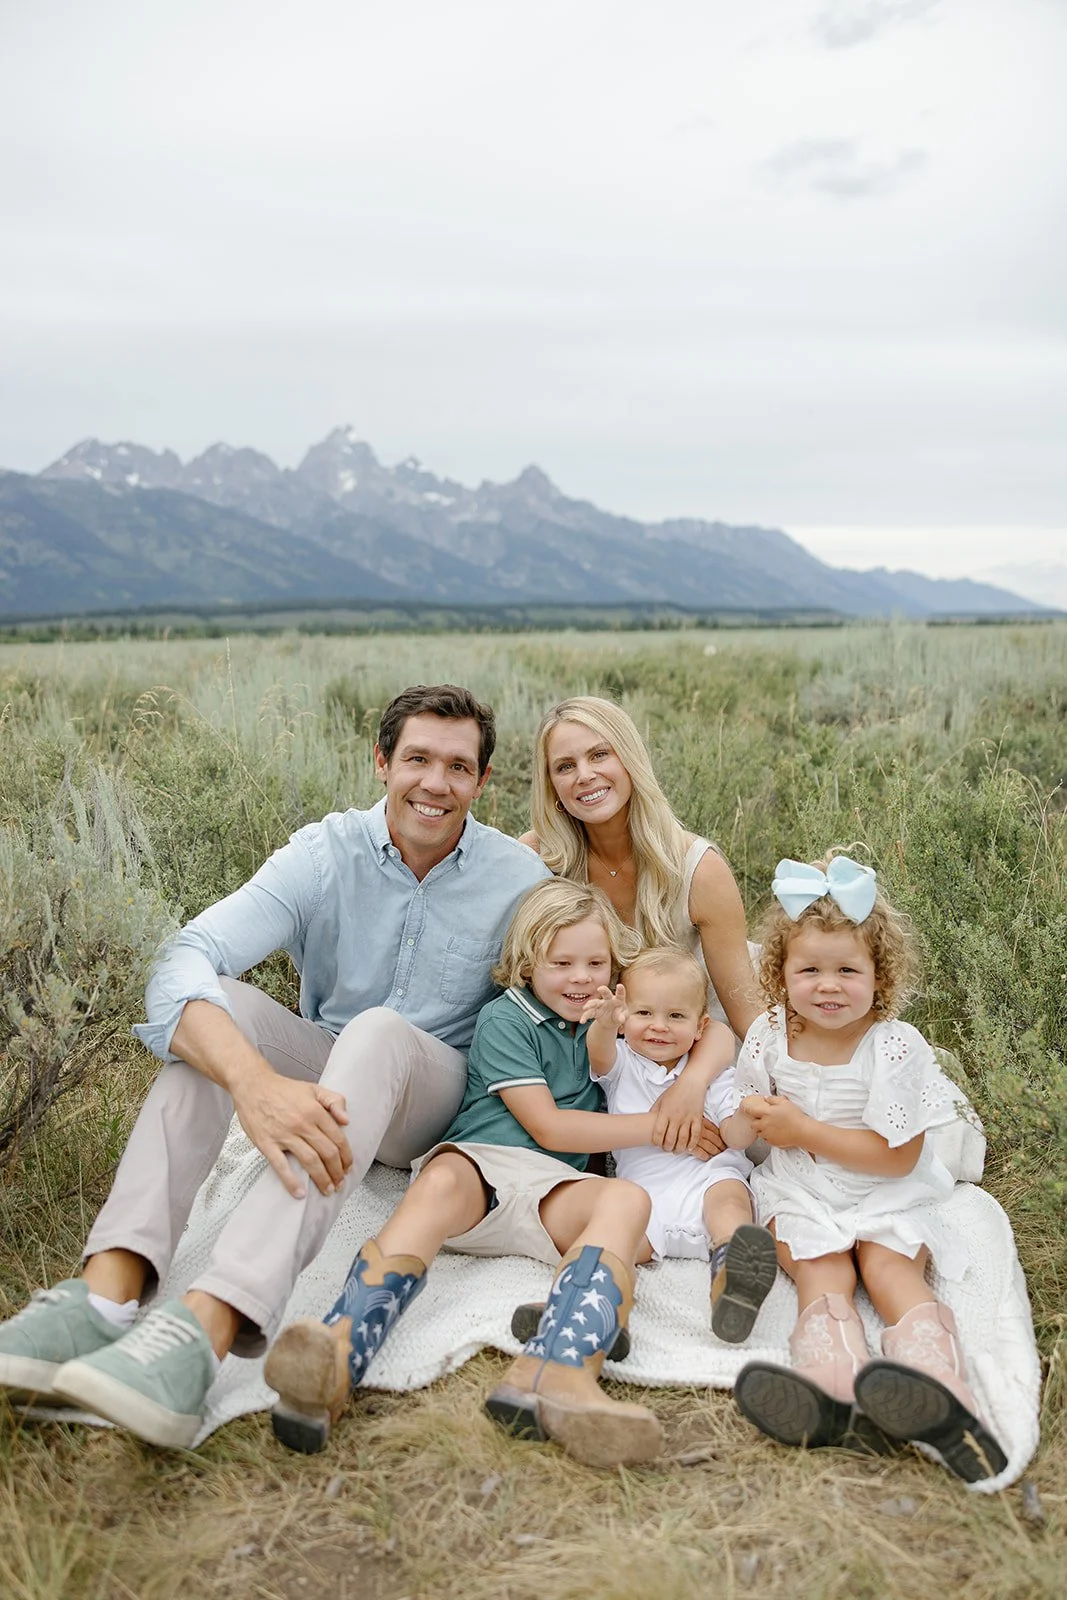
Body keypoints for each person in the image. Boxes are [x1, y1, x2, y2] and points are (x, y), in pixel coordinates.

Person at [0, 684, 549, 1449]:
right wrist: (253, 1086)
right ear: (381, 762)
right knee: (214, 1005)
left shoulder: (516, 876)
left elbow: (573, 987)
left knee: (381, 1030)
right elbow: (183, 958)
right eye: (417, 759)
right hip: (335, 1069)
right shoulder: (324, 853)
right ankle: (108, 1292)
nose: (436, 783)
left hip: (431, 1100)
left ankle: (207, 1328)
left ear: (482, 783)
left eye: (458, 768)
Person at [264, 878, 723, 1468]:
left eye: (596, 962)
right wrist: (660, 1126)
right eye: (562, 963)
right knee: (441, 1178)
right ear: (528, 962)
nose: (581, 977)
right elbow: (550, 1129)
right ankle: (340, 1347)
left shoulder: (617, 1023)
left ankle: (558, 1372)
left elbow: (716, 1033)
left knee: (627, 1202)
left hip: (553, 1195)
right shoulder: (506, 1019)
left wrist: (689, 1089)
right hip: (483, 1175)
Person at [726, 854, 1006, 1483]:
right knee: (821, 1275)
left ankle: (940, 1397)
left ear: (880, 976)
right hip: (801, 1185)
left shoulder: (893, 1044)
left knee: (890, 1268)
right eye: (810, 970)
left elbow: (900, 1154)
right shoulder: (770, 1035)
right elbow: (747, 1125)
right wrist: (747, 1122)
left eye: (848, 969)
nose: (828, 985)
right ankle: (832, 1395)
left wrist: (805, 1130)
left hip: (885, 1186)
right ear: (781, 972)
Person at [525, 695, 759, 1150]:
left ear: (629, 758)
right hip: (604, 1063)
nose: (585, 775)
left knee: (760, 1141)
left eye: (599, 754)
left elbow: (742, 1016)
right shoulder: (538, 859)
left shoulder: (698, 868)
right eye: (565, 766)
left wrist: (691, 1086)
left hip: (696, 1052)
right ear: (551, 784)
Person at [582, 947, 778, 1344]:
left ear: (700, 1025)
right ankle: (594, 1305)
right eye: (643, 1014)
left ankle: (732, 1271)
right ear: (624, 1020)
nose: (659, 1027)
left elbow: (734, 1138)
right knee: (616, 1239)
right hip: (645, 1195)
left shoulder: (715, 1075)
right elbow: (599, 1053)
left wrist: (749, 1117)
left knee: (729, 1199)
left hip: (706, 1177)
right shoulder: (623, 1063)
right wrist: (603, 1024)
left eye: (675, 1016)